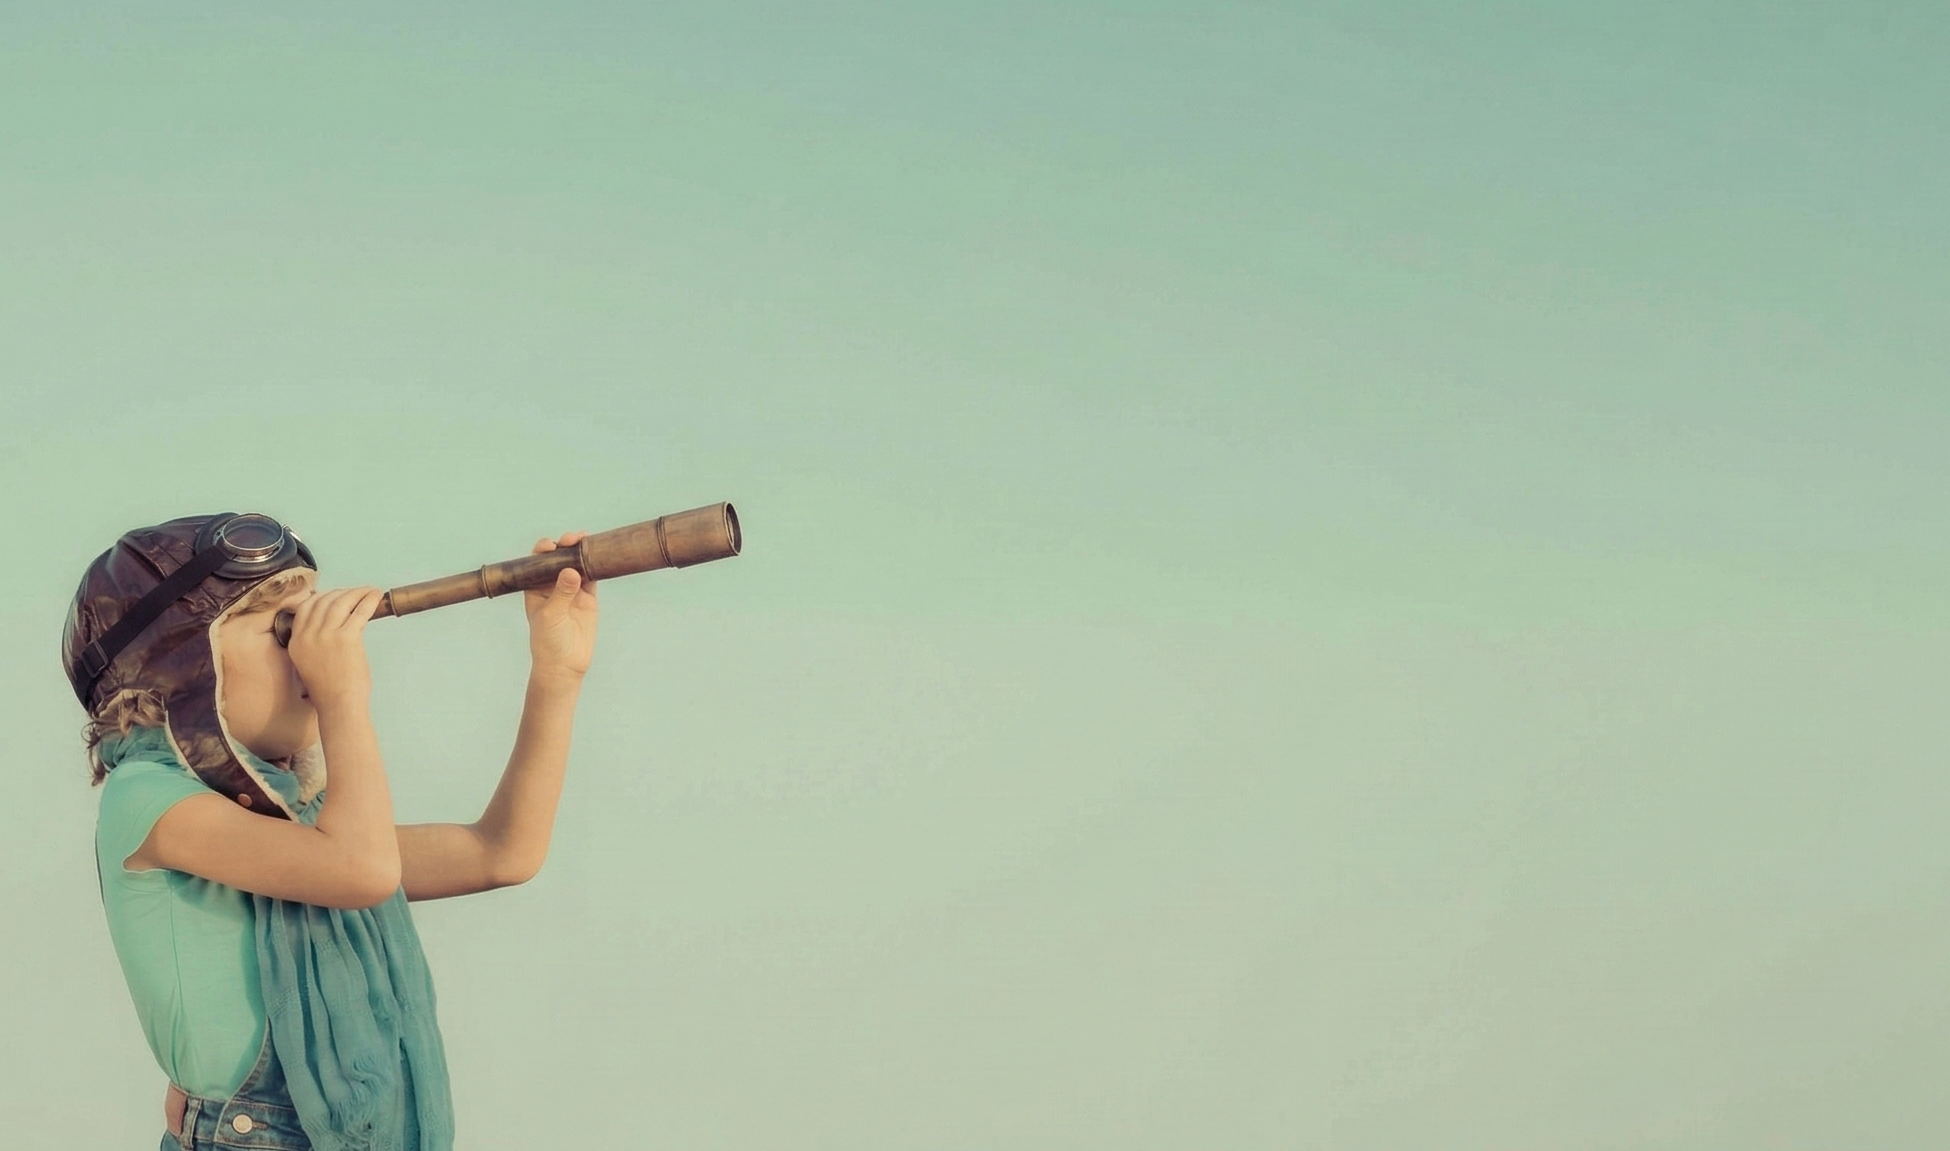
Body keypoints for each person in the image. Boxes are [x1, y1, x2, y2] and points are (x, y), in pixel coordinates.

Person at [65, 512, 598, 1150]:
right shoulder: (148, 799)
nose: (315, 658)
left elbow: (502, 853)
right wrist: (345, 698)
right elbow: (363, 872)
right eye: (286, 632)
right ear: (182, 665)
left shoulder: (299, 831)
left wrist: (556, 676)